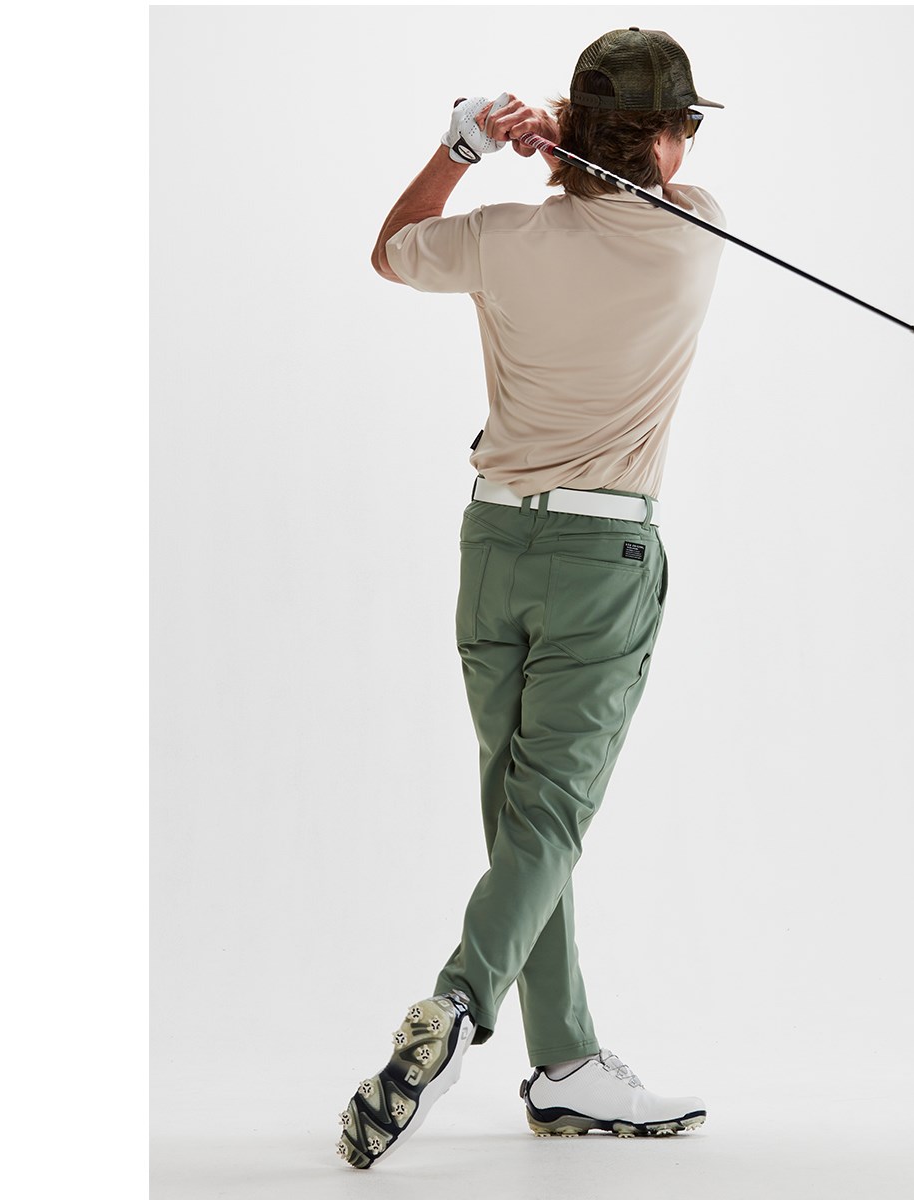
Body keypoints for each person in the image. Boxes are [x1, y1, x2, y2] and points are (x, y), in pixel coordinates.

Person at [337, 28, 725, 1169]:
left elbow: (391, 249)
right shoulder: (695, 232)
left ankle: (565, 1065)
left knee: (522, 822)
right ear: (666, 139)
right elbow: (648, 185)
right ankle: (460, 1005)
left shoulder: (503, 238)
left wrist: (465, 144)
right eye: (683, 124)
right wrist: (575, 141)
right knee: (546, 821)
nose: (689, 144)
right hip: (603, 563)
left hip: (495, 545)